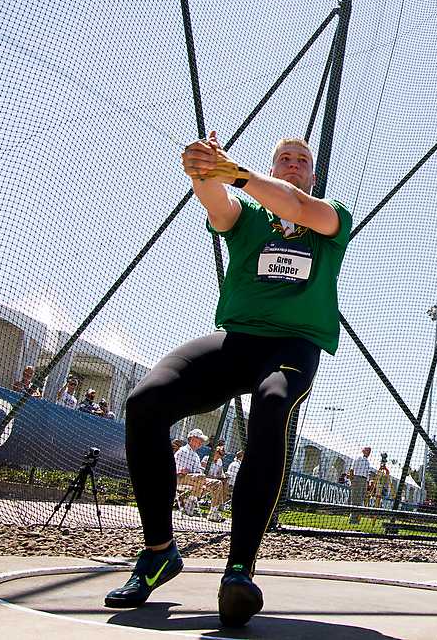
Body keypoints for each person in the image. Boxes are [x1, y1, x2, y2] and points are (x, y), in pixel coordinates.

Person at [104, 133, 352, 628]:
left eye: (302, 160)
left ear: (312, 175)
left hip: (291, 347)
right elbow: (219, 208)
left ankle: (239, 571)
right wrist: (203, 172)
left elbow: (298, 206)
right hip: (237, 341)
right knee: (146, 402)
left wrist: (234, 173)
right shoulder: (250, 215)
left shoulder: (330, 217)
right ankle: (158, 553)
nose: (293, 164)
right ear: (272, 165)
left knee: (271, 401)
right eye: (284, 157)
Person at [174, 428, 226, 521]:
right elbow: (179, 472)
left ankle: (213, 513)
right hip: (180, 480)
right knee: (201, 477)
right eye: (200, 439)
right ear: (192, 439)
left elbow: (199, 472)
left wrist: (202, 481)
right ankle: (190, 502)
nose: (202, 442)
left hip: (196, 481)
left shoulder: (196, 456)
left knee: (217, 483)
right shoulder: (182, 451)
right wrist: (182, 471)